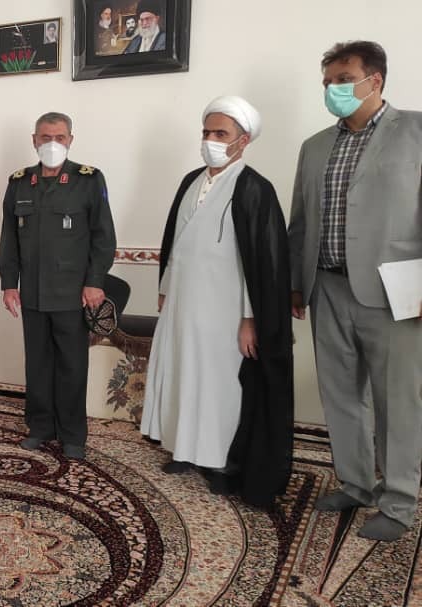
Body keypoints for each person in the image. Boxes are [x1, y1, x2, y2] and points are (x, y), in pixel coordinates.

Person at [288, 41, 422, 541]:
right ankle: (356, 483)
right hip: (327, 287)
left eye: (343, 80)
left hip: (397, 292)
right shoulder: (314, 146)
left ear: (375, 80)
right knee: (341, 394)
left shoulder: (416, 131)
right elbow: (300, 221)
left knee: (397, 401)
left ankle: (399, 502)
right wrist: (296, 284)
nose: (333, 90)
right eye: (327, 82)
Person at [141, 96, 294, 506]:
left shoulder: (254, 188)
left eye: (220, 133)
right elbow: (175, 243)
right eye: (206, 132)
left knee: (220, 386)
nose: (210, 140)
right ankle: (183, 449)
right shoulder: (191, 181)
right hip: (183, 304)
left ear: (243, 140)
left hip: (226, 312)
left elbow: (261, 264)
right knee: (182, 374)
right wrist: (164, 289)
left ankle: (222, 461)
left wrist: (250, 319)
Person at [0, 112, 117, 459]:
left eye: (60, 137)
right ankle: (40, 427)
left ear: (70, 140)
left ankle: (72, 434)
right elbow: (9, 239)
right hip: (33, 292)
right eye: (46, 137)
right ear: (34, 139)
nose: (52, 143)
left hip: (72, 293)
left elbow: (103, 237)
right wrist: (9, 284)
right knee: (37, 364)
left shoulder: (88, 180)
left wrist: (95, 282)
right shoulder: (19, 182)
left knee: (71, 365)